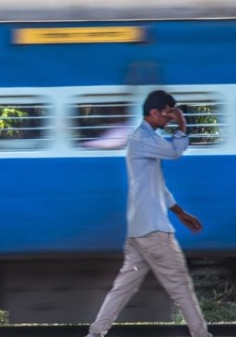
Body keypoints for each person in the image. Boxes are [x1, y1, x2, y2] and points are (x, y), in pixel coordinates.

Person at [85, 90, 212, 337]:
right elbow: (175, 152)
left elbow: (157, 187)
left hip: (140, 233)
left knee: (122, 288)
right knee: (181, 286)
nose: (170, 119)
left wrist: (180, 212)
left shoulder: (145, 141)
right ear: (153, 113)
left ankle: (95, 334)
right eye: (167, 113)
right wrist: (182, 123)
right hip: (154, 233)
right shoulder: (141, 138)